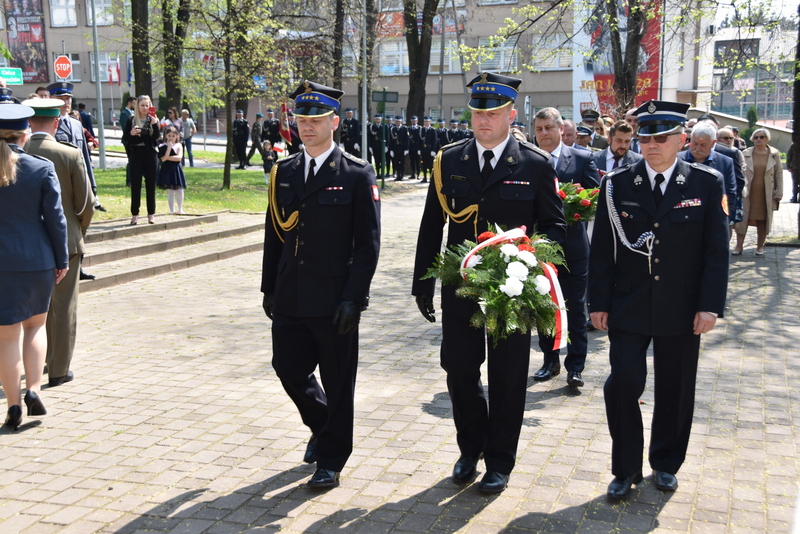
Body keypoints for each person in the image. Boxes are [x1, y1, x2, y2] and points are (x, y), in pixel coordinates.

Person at [412, 72, 566, 494]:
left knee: (508, 376)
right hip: (459, 287)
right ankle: (471, 446)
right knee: (459, 370)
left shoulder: (534, 164)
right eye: (478, 111)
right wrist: (421, 283)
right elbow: (431, 225)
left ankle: (500, 460)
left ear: (511, 115)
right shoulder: (450, 161)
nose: (483, 120)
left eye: (493, 112)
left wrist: (530, 264)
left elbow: (554, 226)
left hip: (511, 293)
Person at [589, 100, 729, 500]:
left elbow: (715, 252)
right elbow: (602, 250)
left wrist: (710, 305)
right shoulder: (616, 184)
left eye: (662, 137)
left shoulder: (706, 183)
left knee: (676, 386)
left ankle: (665, 463)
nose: (652, 145)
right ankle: (625, 467)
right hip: (628, 304)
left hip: (683, 307)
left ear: (681, 139)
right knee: (623, 384)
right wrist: (597, 302)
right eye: (645, 136)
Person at [262, 80, 381, 489]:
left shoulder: (355, 173)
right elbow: (274, 234)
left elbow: (368, 246)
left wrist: (355, 298)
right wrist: (269, 287)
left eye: (316, 120)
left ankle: (332, 458)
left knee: (337, 380)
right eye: (301, 119)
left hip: (334, 300)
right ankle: (322, 423)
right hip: (291, 291)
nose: (307, 126)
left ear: (335, 121)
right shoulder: (285, 171)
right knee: (287, 367)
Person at [0, 103, 69, 430]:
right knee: (35, 328)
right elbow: (57, 221)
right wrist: (62, 259)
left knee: (6, 338)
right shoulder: (41, 168)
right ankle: (33, 390)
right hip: (37, 260)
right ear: (24, 134)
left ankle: (12, 405)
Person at [23, 98, 94, 388]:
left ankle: (31, 364)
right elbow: (85, 204)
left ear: (29, 122)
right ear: (56, 122)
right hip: (66, 242)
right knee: (63, 308)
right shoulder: (69, 153)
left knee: (30, 310)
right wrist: (78, 232)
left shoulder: (16, 151)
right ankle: (59, 369)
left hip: (26, 244)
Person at [532, 107, 600, 387]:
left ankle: (575, 367)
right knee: (545, 309)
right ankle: (550, 361)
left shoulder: (583, 159)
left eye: (549, 128)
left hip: (573, 249)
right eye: (539, 129)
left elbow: (595, 200)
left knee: (574, 308)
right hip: (542, 251)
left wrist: (573, 208)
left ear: (561, 129)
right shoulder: (529, 160)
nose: (544, 134)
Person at [47, 82, 106, 213]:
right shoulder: (49, 123)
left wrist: (92, 184)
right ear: (51, 99)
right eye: (60, 99)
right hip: (59, 179)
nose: (65, 102)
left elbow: (85, 155)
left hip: (79, 179)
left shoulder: (76, 124)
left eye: (67, 98)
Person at [732, 128, 783, 256]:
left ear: (767, 139)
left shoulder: (774, 154)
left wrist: (779, 193)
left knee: (763, 220)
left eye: (762, 137)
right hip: (747, 192)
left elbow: (779, 174)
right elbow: (738, 172)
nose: (759, 139)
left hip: (765, 192)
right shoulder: (745, 153)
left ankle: (760, 247)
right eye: (756, 137)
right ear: (752, 139)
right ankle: (739, 246)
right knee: (742, 220)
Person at [678, 123, 737, 233]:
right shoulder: (677, 160)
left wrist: (724, 219)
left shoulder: (725, 163)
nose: (697, 148)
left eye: (703, 145)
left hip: (714, 221)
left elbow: (730, 194)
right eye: (695, 143)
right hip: (682, 221)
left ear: (713, 143)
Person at [122, 95, 160, 225]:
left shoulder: (153, 119)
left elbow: (157, 137)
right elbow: (125, 138)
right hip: (136, 154)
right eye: (142, 105)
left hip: (150, 154)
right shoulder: (132, 120)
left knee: (151, 185)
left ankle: (151, 214)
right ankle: (135, 215)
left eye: (147, 105)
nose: (145, 108)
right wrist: (132, 133)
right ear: (137, 106)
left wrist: (155, 125)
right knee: (136, 185)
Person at [157, 126, 187, 214]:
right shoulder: (162, 146)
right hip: (167, 169)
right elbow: (162, 159)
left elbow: (178, 158)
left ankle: (180, 209)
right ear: (166, 136)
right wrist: (169, 148)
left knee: (180, 190)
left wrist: (167, 157)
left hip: (176, 169)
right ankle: (171, 210)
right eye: (169, 136)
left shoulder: (179, 145)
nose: (171, 138)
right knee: (170, 191)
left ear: (176, 136)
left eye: (173, 136)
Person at [120, 97, 136, 185]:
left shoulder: (132, 113)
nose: (135, 105)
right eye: (134, 103)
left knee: (134, 161)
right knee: (131, 160)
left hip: (133, 140)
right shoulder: (124, 114)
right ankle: (129, 180)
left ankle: (134, 179)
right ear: (129, 103)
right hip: (128, 140)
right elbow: (125, 127)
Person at [389, 115, 409, 181]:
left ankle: (402, 175)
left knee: (402, 162)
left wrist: (406, 149)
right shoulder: (393, 129)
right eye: (397, 121)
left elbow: (407, 139)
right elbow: (391, 140)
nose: (398, 122)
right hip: (395, 148)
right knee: (396, 162)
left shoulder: (404, 129)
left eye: (399, 121)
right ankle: (398, 175)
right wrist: (391, 149)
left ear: (401, 122)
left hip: (402, 148)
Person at [419, 116, 438, 183]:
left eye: (428, 121)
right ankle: (424, 177)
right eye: (425, 121)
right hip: (423, 149)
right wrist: (419, 149)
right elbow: (420, 140)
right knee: (423, 164)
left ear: (430, 122)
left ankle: (431, 177)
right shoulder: (422, 130)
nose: (426, 123)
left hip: (429, 149)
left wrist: (433, 150)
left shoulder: (432, 130)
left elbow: (434, 141)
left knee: (430, 164)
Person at [407, 116, 421, 180]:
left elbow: (420, 139)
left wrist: (419, 148)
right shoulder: (408, 128)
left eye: (414, 121)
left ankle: (418, 174)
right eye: (412, 121)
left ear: (417, 121)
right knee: (412, 161)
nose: (413, 122)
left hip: (417, 147)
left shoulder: (420, 128)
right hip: (411, 147)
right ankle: (413, 173)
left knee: (418, 161)